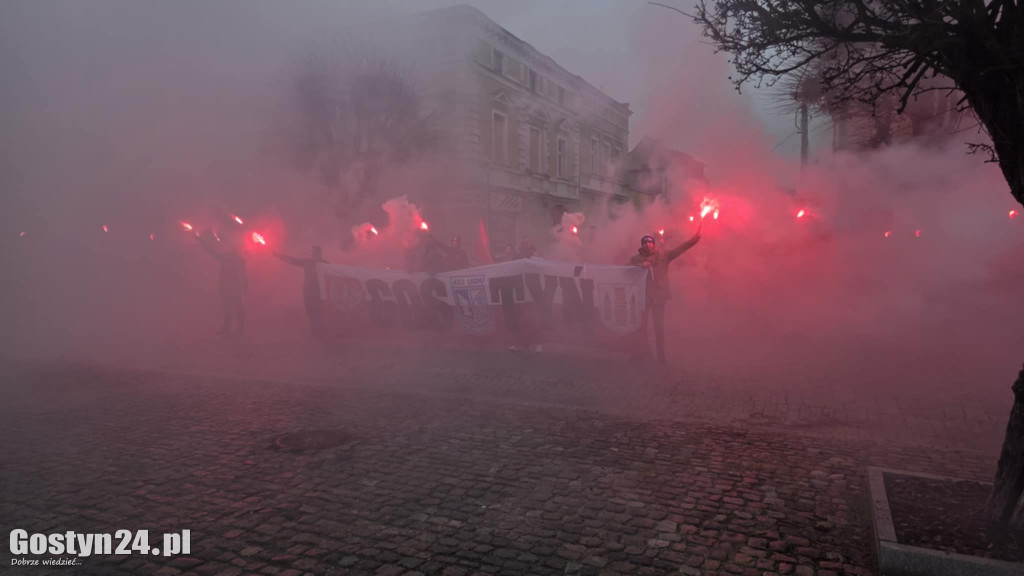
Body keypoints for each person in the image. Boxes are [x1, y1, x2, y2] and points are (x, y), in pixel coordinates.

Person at [629, 232, 701, 363]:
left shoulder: (664, 256)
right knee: (641, 327)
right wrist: (640, 266)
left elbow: (682, 248)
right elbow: (626, 271)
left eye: (650, 242)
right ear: (641, 245)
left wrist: (694, 239)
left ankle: (661, 356)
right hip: (643, 297)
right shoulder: (635, 259)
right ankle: (642, 353)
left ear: (654, 244)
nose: (647, 244)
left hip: (659, 296)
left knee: (659, 327)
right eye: (644, 242)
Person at [196, 231, 248, 336]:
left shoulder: (238, 260)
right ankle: (227, 328)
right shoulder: (225, 258)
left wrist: (245, 286)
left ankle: (240, 329)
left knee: (237, 307)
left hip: (234, 287)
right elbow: (211, 251)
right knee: (227, 307)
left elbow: (244, 274)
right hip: (225, 286)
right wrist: (201, 241)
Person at [274, 246, 328, 337]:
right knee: (315, 312)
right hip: (316, 293)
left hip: (312, 293)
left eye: (313, 252)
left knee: (313, 312)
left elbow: (294, 261)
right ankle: (317, 331)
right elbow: (294, 261)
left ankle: (316, 331)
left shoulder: (311, 263)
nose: (313, 254)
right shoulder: (323, 263)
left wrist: (281, 256)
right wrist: (281, 256)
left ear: (315, 253)